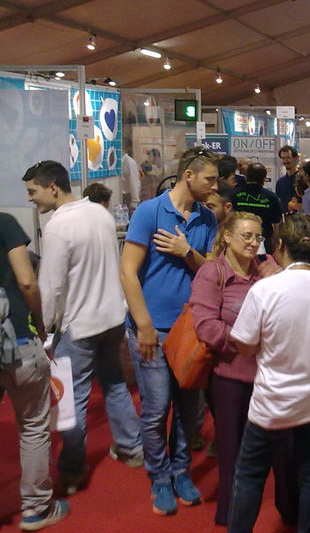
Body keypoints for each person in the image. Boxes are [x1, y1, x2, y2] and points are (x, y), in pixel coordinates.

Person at [22, 160, 143, 496]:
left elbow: (51, 286)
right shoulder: (101, 215)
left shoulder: (58, 227)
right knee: (115, 385)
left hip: (79, 325)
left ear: (52, 188)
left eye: (33, 191)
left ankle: (73, 471)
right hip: (112, 318)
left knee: (71, 399)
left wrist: (42, 328)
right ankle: (132, 447)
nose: (30, 198)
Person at [228, 214, 310, 533]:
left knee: (250, 473)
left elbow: (245, 345)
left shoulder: (265, 290)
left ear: (279, 247)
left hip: (273, 401)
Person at [120, 147, 218, 516]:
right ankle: (159, 476)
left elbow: (211, 271)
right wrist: (143, 324)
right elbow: (127, 271)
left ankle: (180, 471)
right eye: (210, 179)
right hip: (152, 330)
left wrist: (185, 250)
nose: (214, 186)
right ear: (188, 176)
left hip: (190, 329)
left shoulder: (207, 218)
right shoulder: (149, 212)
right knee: (156, 408)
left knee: (188, 409)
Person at [190, 212, 296, 526]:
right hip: (231, 379)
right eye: (246, 236)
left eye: (257, 237)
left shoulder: (267, 268)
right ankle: (231, 516)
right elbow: (206, 326)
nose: (252, 243)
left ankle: (291, 509)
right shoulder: (212, 273)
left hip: (270, 377)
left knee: (285, 449)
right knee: (233, 450)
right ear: (227, 237)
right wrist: (247, 341)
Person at [0, 212, 69, 531]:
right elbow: (27, 280)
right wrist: (40, 324)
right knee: (32, 426)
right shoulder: (4, 223)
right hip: (17, 342)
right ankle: (35, 509)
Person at [232, 163, 283, 252]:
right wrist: (275, 241)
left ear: (246, 176)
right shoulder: (271, 197)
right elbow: (277, 223)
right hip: (263, 240)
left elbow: (229, 217)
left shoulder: (234, 194)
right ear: (264, 178)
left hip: (239, 239)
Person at [276, 145, 299, 214]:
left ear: (296, 158)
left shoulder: (302, 180)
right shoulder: (280, 182)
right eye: (283, 158)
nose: (285, 161)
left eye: (288, 157)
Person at [121, 139, 142, 211]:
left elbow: (134, 181)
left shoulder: (129, 162)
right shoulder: (120, 162)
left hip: (128, 197)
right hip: (122, 196)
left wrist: (134, 201)